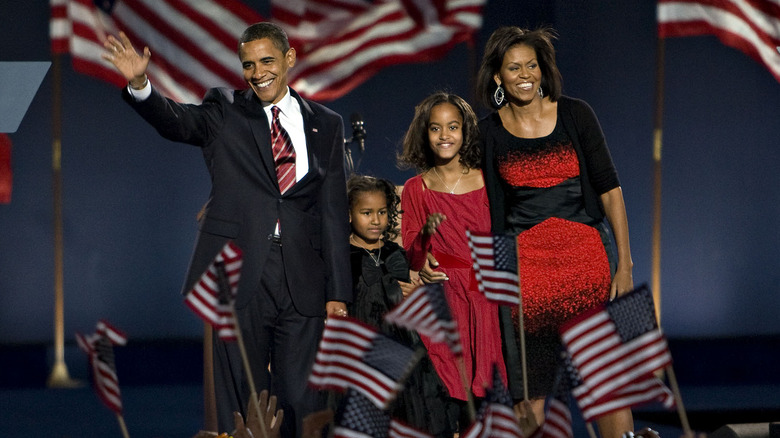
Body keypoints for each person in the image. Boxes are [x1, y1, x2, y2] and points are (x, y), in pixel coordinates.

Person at [101, 22, 352, 437]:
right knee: (242, 399)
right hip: (240, 272)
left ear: (289, 60)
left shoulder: (326, 123)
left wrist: (338, 293)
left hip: (304, 278)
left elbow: (332, 212)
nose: (258, 73)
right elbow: (177, 121)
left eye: (267, 61)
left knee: (303, 397)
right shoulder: (225, 110)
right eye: (248, 65)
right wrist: (141, 85)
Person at [475, 26, 636, 437]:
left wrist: (625, 266)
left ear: (543, 70)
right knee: (530, 396)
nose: (525, 74)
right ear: (498, 76)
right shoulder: (489, 132)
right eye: (514, 67)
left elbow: (610, 190)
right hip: (527, 280)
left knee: (608, 386)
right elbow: (481, 204)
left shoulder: (576, 114)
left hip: (588, 266)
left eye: (531, 65)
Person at [397, 92, 507, 434]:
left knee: (485, 404)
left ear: (465, 132)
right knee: (445, 398)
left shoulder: (488, 181)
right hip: (444, 300)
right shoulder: (417, 188)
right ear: (424, 134)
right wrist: (425, 249)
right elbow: (413, 254)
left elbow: (502, 239)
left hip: (485, 299)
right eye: (435, 128)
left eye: (453, 127)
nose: (444, 135)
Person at [345, 174, 451, 436]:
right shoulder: (341, 256)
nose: (376, 220)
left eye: (382, 212)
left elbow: (413, 280)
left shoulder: (394, 252)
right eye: (366, 212)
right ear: (349, 214)